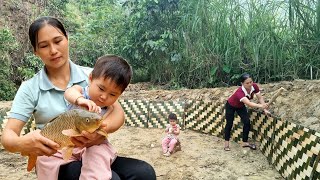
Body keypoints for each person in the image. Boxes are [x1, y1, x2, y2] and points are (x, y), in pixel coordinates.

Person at [1, 16, 156, 180]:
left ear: (67, 39)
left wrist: (101, 130)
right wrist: (22, 143)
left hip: (91, 151)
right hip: (58, 155)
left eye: (58, 41)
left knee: (144, 173)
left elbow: (117, 112)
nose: (53, 50)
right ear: (35, 51)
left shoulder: (94, 75)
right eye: (44, 45)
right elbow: (8, 135)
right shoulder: (30, 88)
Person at [34, 54, 132, 179]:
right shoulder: (81, 91)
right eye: (101, 88)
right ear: (90, 78)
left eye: (112, 94)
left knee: (98, 156)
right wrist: (80, 100)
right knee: (44, 159)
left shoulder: (111, 107)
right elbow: (69, 93)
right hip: (67, 144)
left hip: (94, 146)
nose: (104, 97)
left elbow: (119, 118)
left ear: (119, 95)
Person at [224, 73, 269, 151]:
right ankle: (226, 144)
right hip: (231, 106)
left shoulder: (254, 86)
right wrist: (261, 106)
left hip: (240, 106)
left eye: (251, 82)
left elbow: (260, 98)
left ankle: (245, 142)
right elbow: (249, 103)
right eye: (247, 83)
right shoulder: (240, 92)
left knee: (247, 122)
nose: (250, 84)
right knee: (229, 124)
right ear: (242, 84)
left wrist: (265, 109)